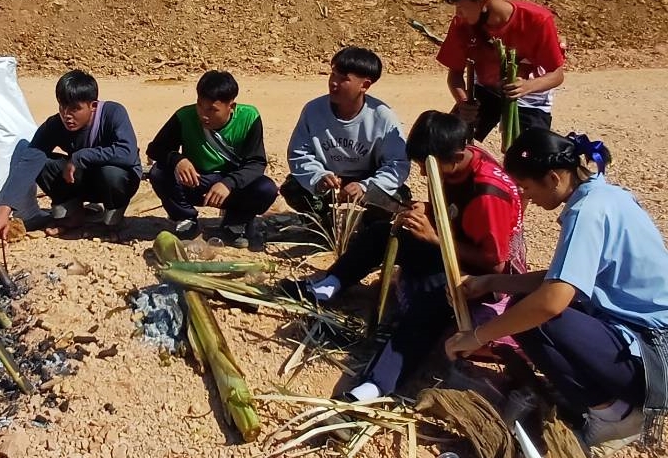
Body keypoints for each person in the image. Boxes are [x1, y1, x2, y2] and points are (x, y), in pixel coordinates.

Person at [444, 129, 668, 454]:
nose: (527, 197)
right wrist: (492, 282)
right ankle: (604, 398)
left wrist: (478, 336)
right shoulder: (606, 196)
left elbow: (552, 301)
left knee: (536, 316)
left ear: (554, 178)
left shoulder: (586, 213)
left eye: (527, 188)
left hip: (658, 363)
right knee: (531, 305)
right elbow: (567, 278)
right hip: (667, 354)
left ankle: (615, 415)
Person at [309, 112, 526, 400]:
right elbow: (453, 209)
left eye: (428, 167)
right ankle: (329, 285)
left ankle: (376, 384)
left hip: (480, 275)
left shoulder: (487, 195)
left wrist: (434, 238)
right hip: (453, 244)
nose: (424, 174)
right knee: (381, 234)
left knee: (431, 302)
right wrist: (427, 208)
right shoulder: (462, 159)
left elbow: (495, 263)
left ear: (456, 155)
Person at [437, 0, 566, 144]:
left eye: (460, 7)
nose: (458, 14)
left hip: (529, 97)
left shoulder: (537, 21)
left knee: (528, 159)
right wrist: (464, 102)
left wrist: (527, 86)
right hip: (484, 91)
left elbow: (557, 75)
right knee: (449, 144)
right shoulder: (461, 25)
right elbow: (455, 75)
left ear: (483, 2)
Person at [145, 70, 278, 249]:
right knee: (159, 173)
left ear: (231, 106)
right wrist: (178, 159)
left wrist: (229, 183)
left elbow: (256, 162)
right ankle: (185, 218)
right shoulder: (184, 117)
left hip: (230, 187)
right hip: (196, 182)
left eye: (212, 110)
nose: (203, 114)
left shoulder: (249, 118)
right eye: (200, 105)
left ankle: (235, 221)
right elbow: (155, 149)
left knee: (266, 188)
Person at [281, 46, 410, 226]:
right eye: (333, 74)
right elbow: (298, 153)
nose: (333, 82)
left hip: (366, 180)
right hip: (330, 181)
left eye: (343, 79)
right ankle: (324, 223)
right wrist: (319, 177)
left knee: (399, 197)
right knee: (293, 188)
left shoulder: (383, 117)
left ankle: (366, 226)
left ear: (364, 85)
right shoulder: (313, 110)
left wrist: (365, 187)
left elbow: (398, 164)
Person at [30, 69, 142, 235]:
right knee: (40, 162)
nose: (67, 115)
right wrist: (6, 207)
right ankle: (72, 216)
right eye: (63, 107)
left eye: (75, 109)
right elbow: (30, 157)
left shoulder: (113, 113)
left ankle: (113, 222)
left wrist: (81, 156)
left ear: (93, 106)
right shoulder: (56, 124)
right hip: (81, 180)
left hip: (115, 182)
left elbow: (127, 153)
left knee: (111, 172)